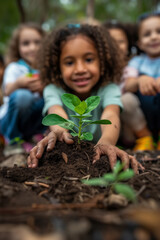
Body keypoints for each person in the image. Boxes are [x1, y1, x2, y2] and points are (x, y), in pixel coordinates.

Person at [27, 24, 143, 173]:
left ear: (103, 62)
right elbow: (54, 110)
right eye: (69, 62)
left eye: (89, 60)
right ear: (57, 67)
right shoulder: (53, 89)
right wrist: (58, 132)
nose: (80, 69)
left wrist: (106, 142)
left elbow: (110, 113)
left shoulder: (108, 88)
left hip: (100, 144)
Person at [103, 20, 154, 151]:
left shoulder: (133, 65)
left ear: (128, 44)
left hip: (130, 123)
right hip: (108, 123)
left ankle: (145, 138)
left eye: (120, 41)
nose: (115, 46)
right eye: (109, 42)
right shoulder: (96, 70)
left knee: (126, 100)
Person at [0, 22, 46, 156]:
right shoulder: (14, 67)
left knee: (52, 96)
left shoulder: (46, 69)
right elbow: (7, 91)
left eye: (38, 42)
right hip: (8, 121)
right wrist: (18, 84)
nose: (32, 48)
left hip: (31, 120)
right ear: (17, 47)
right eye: (26, 43)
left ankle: (35, 135)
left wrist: (43, 89)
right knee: (22, 96)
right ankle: (13, 140)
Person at [124, 12, 160, 150]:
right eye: (147, 34)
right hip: (144, 116)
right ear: (140, 43)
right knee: (125, 99)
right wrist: (139, 80)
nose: (154, 37)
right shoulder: (137, 62)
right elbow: (128, 85)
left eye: (158, 31)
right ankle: (145, 138)